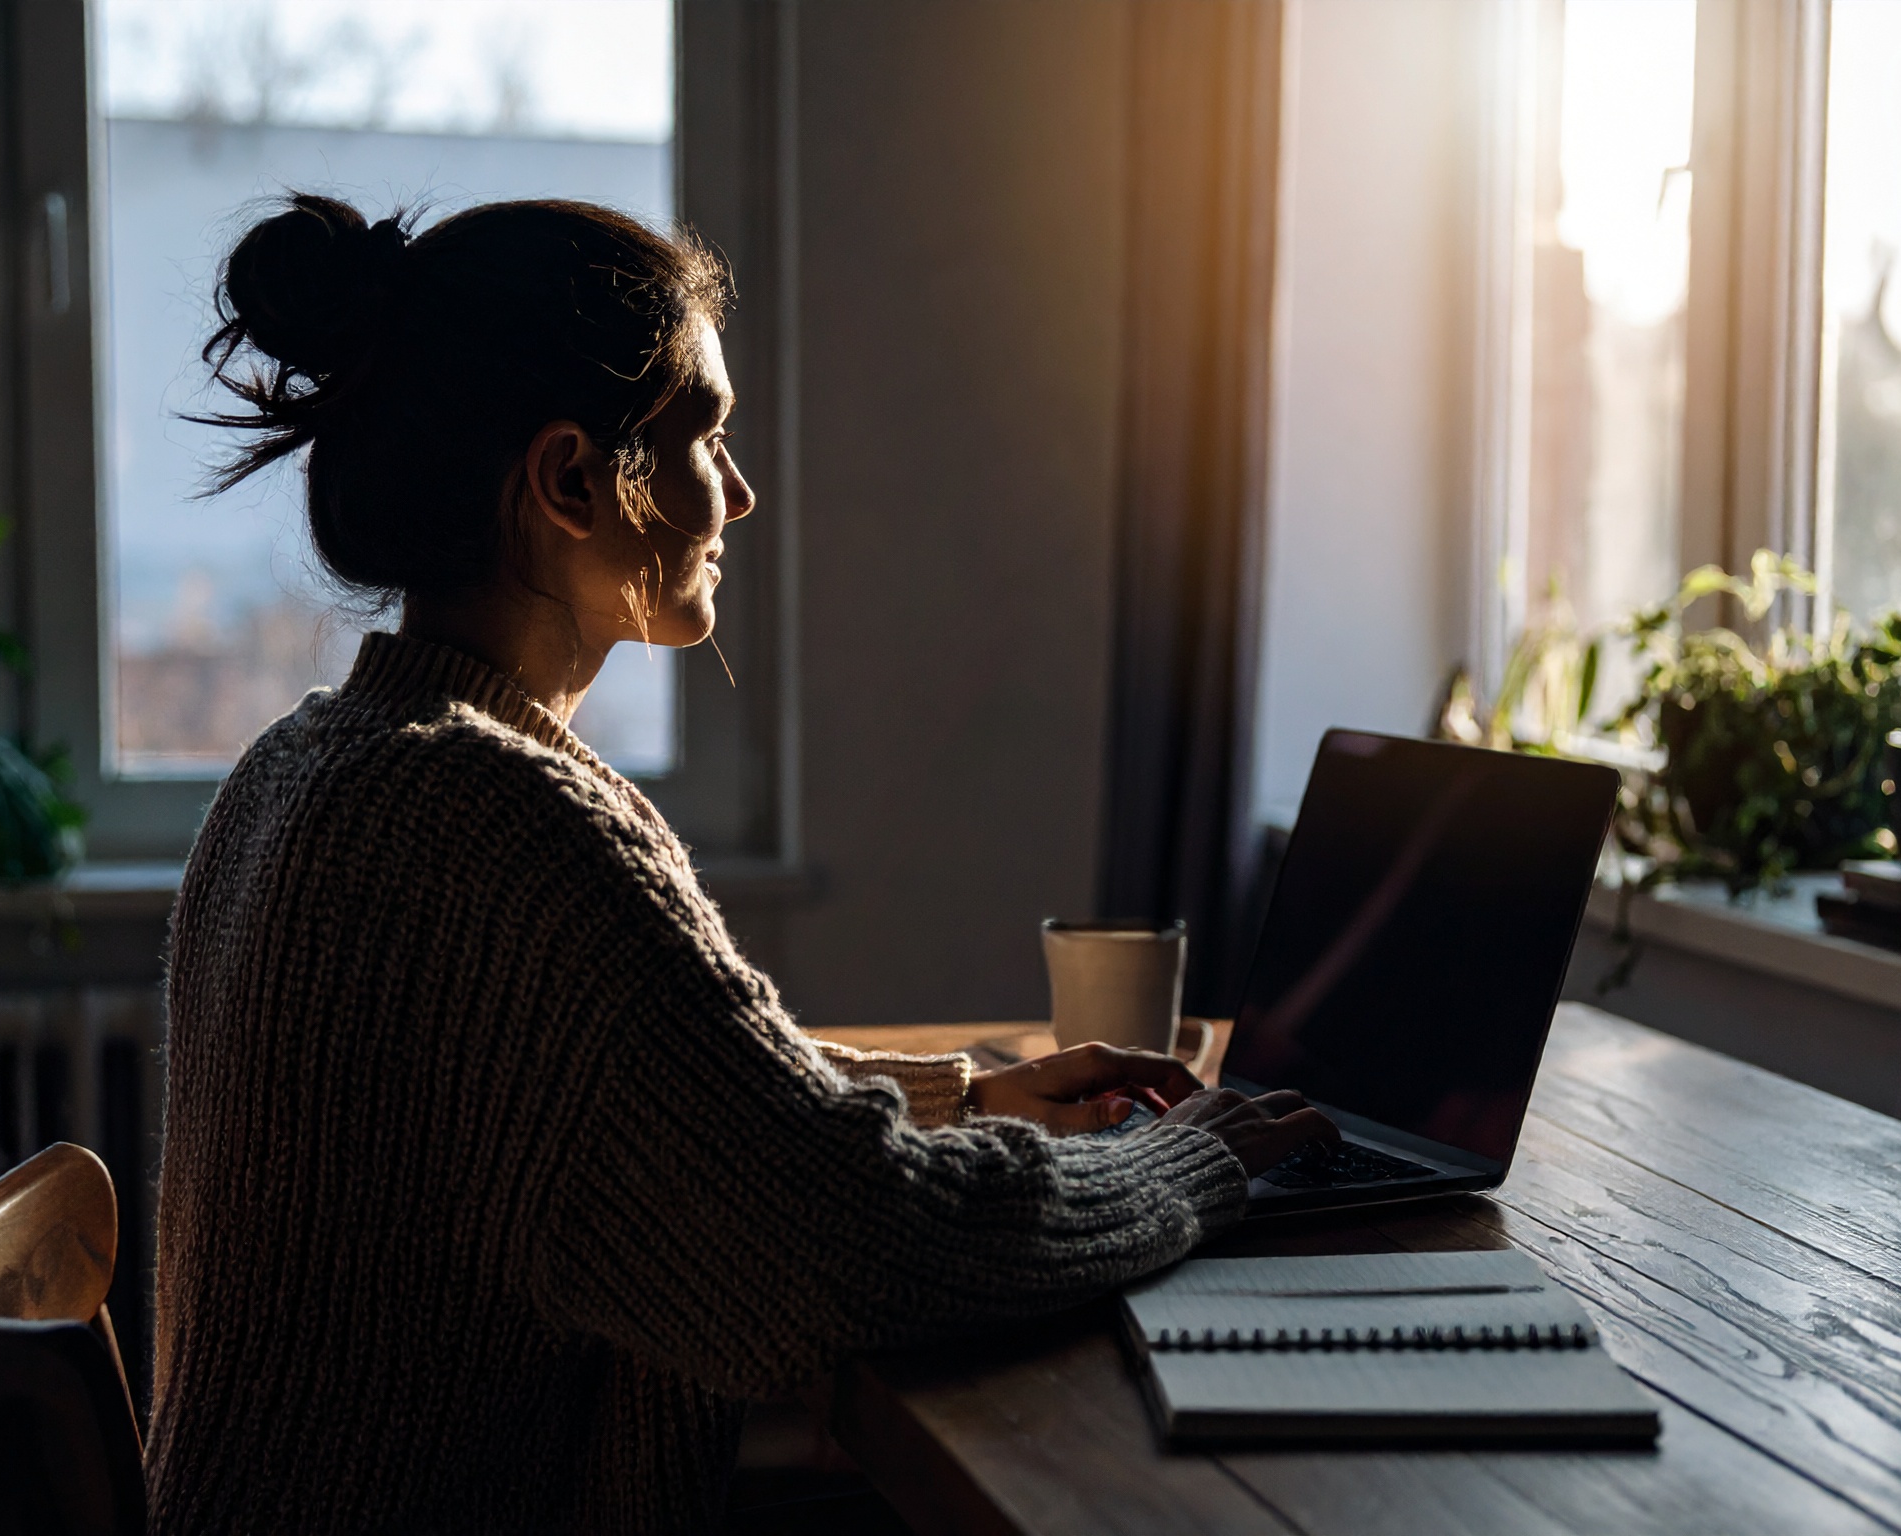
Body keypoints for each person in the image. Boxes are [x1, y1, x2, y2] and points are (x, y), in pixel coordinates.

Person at [148, 194, 1337, 1535]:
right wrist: (1188, 1164)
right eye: (703, 434)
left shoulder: (311, 768)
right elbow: (860, 1252)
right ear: (571, 481)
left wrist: (966, 1102)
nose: (742, 491)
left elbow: (595, 1111)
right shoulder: (490, 822)